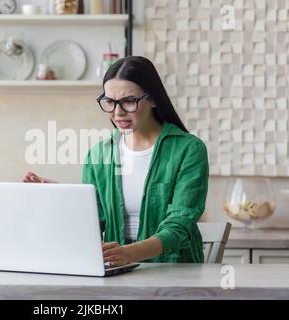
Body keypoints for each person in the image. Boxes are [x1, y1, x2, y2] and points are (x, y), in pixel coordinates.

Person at [23, 56, 209, 265]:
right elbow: (94, 221)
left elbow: (179, 226)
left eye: (129, 101)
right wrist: (62, 197)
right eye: (110, 102)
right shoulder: (98, 155)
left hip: (174, 270)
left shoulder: (189, 149)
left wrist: (130, 253)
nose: (117, 112)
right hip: (116, 266)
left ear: (154, 99)